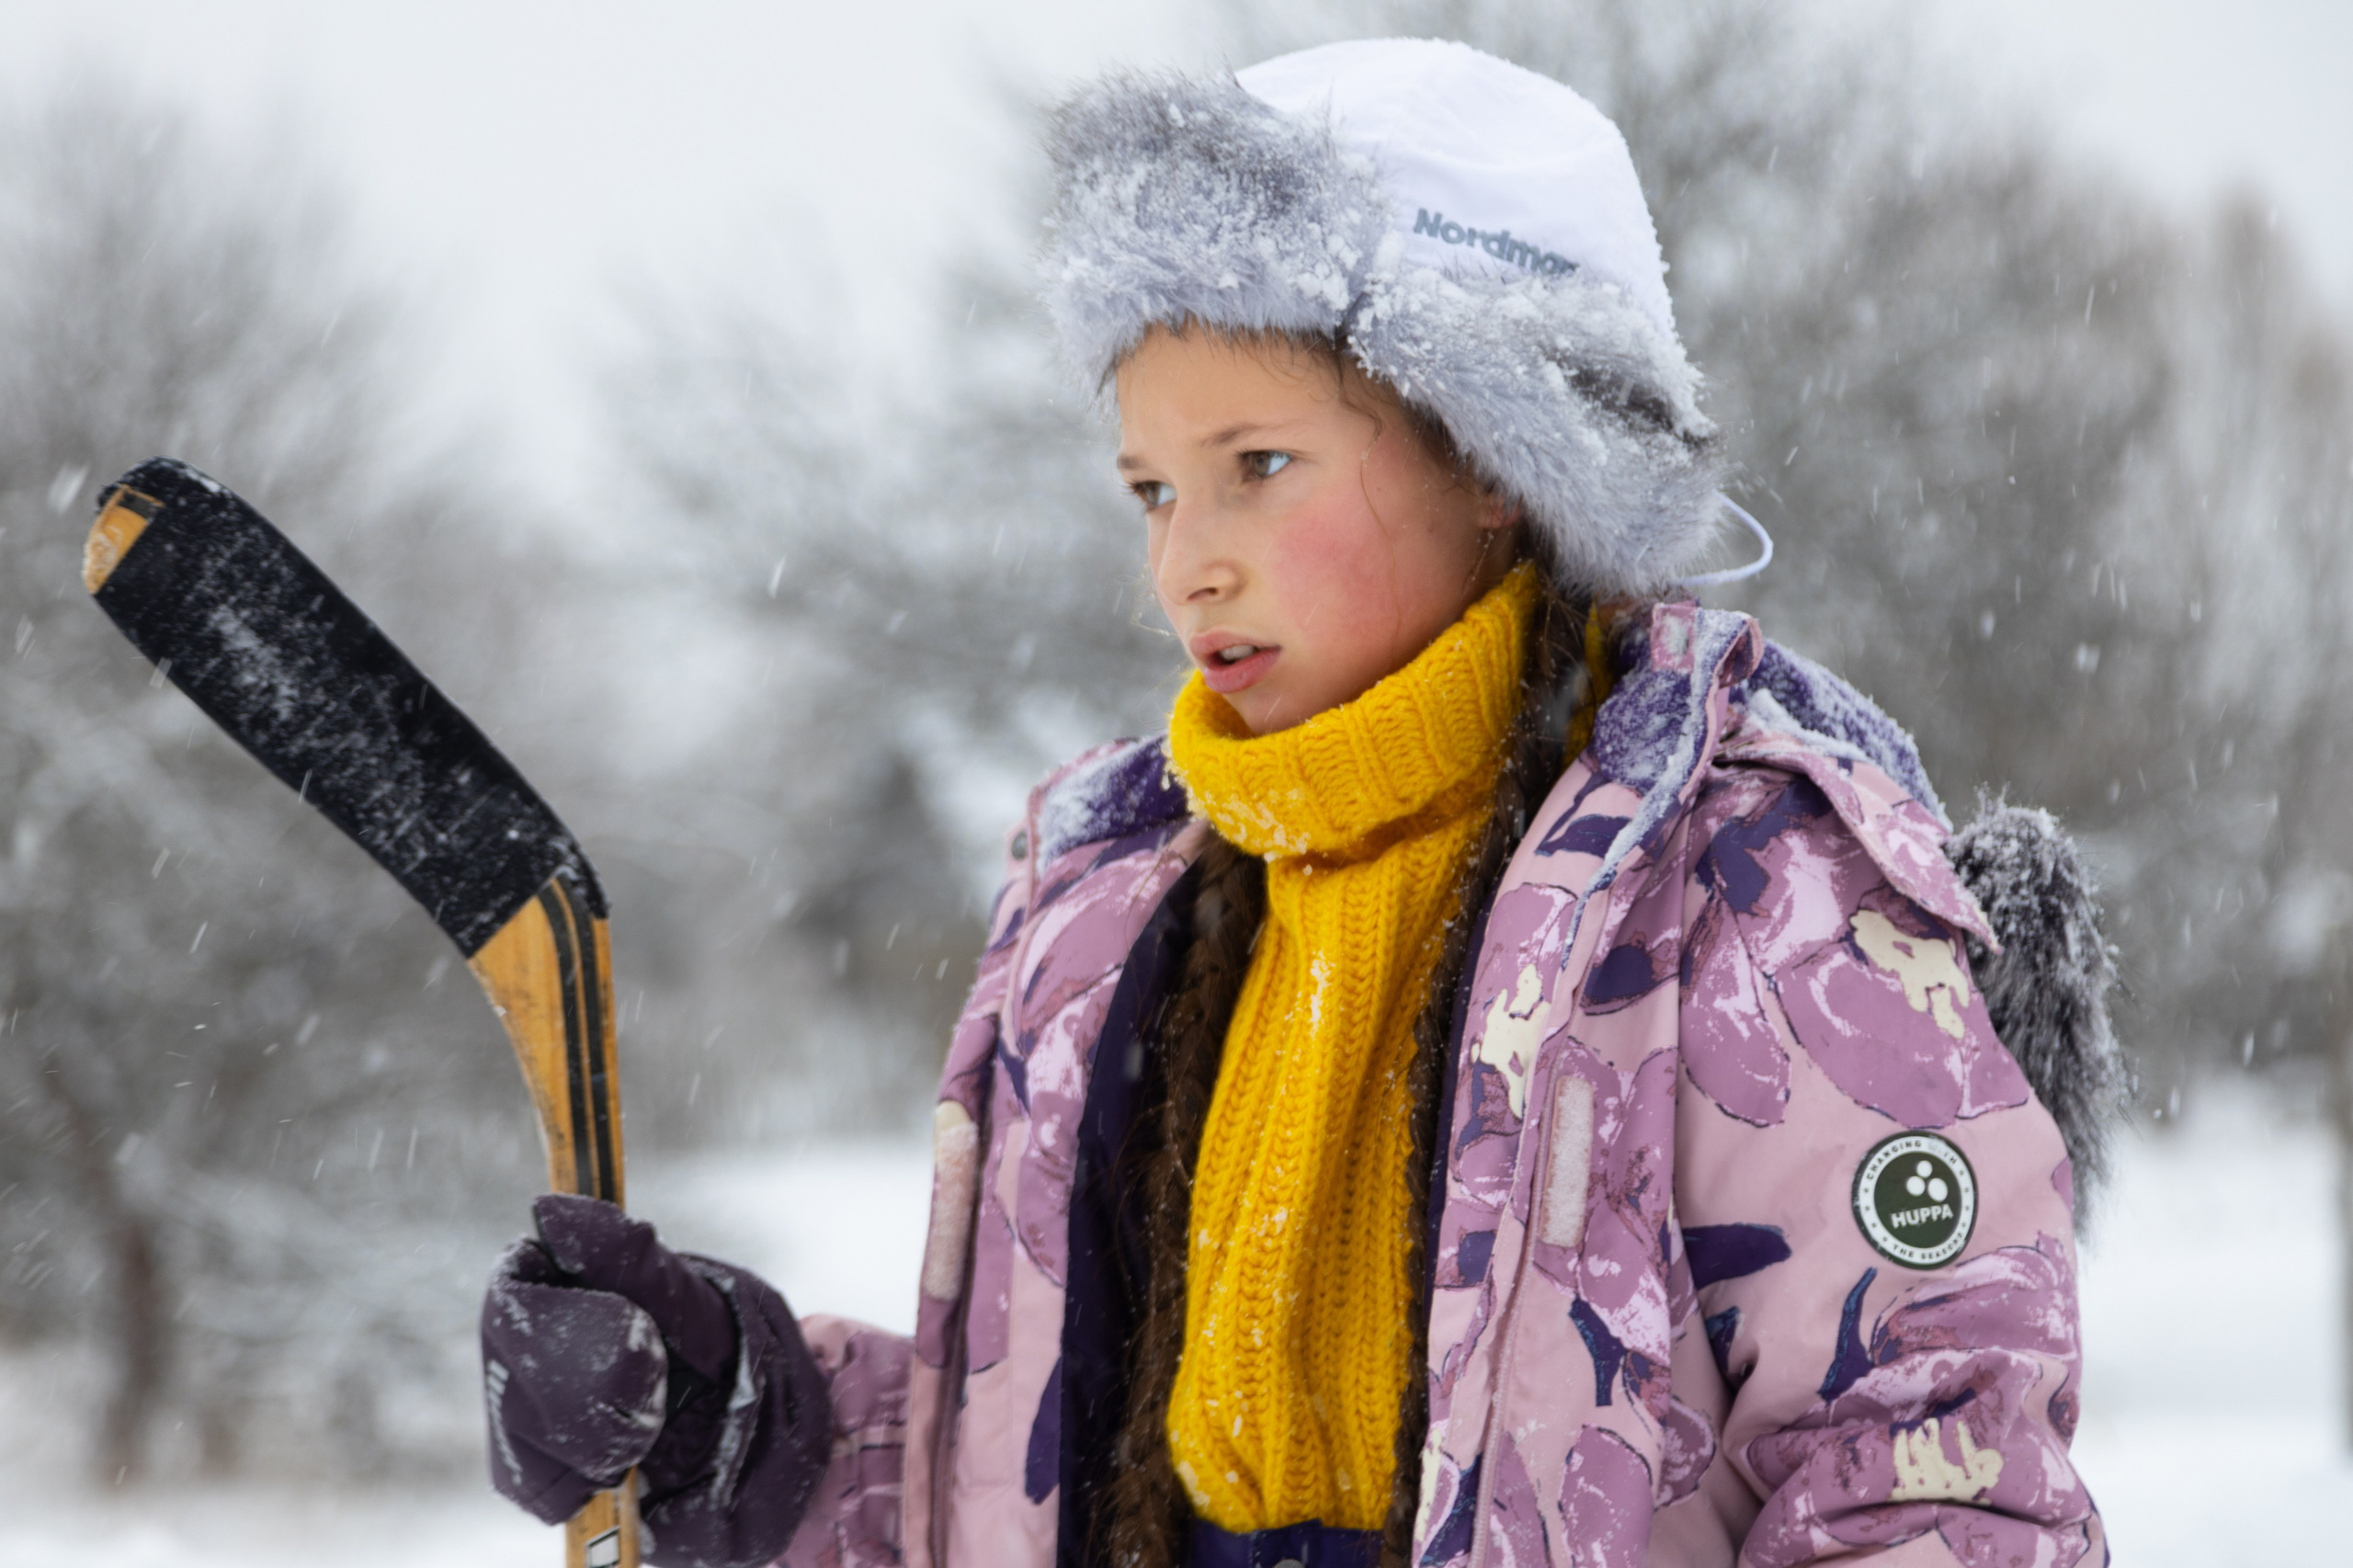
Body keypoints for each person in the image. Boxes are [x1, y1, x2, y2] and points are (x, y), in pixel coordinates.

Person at [478, 39, 2126, 1568]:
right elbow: (1010, 1480)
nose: (1185, 553)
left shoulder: (1750, 894)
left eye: (1258, 463)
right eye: (1152, 487)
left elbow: (1933, 1481)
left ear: (1497, 453)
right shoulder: (1107, 912)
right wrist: (735, 1422)